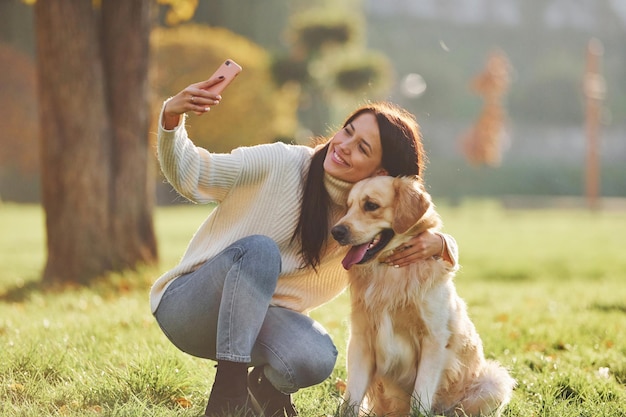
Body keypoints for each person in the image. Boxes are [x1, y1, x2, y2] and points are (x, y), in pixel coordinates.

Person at [151, 75, 458, 417]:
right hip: (191, 308)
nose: (343, 145)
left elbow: (411, 214)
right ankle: (229, 395)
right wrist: (171, 118)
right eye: (347, 131)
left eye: (362, 148)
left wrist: (444, 243)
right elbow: (192, 173)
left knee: (316, 356)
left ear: (382, 172)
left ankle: (265, 391)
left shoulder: (366, 224)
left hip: (260, 324)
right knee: (259, 252)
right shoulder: (282, 162)